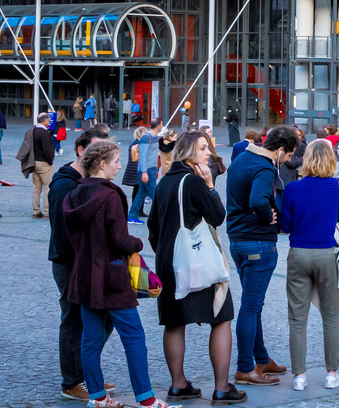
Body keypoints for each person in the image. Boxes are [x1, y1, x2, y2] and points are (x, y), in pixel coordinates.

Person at [62, 141, 181, 408]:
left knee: (90, 339)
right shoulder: (110, 195)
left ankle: (97, 397)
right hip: (112, 277)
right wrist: (137, 244)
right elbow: (119, 240)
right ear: (102, 164)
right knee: (134, 337)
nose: (119, 165)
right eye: (116, 161)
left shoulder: (73, 195)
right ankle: (146, 399)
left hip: (84, 276)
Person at [149, 132, 246, 404]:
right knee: (222, 316)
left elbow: (153, 227)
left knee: (174, 321)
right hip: (198, 261)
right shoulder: (194, 181)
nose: (208, 153)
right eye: (203, 148)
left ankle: (178, 384)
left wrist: (167, 253)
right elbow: (217, 217)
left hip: (169, 261)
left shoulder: (165, 180)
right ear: (188, 150)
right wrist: (211, 186)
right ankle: (222, 388)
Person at [225, 125, 299, 386]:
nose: (289, 161)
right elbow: (258, 200)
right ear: (280, 150)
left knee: (252, 303)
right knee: (251, 306)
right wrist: (269, 218)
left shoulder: (242, 157)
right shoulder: (265, 167)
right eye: (289, 156)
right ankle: (245, 367)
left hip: (238, 240)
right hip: (257, 241)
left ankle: (261, 357)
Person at [279, 139, 339, 391]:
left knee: (297, 319)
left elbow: (285, 225)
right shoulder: (337, 186)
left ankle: (299, 376)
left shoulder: (293, 189)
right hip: (326, 253)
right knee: (331, 316)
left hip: (299, 252)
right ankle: (331, 373)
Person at [48, 128, 111, 402]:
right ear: (80, 149)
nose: (100, 157)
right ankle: (72, 381)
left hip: (91, 262)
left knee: (104, 317)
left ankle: (87, 373)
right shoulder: (65, 185)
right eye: (95, 150)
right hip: (70, 262)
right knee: (74, 320)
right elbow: (62, 234)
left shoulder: (92, 182)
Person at [20, 112, 56, 219]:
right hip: (44, 163)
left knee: (36, 188)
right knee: (48, 187)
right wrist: (50, 161)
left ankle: (36, 211)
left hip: (33, 162)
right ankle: (46, 211)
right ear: (44, 121)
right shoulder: (44, 133)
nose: (49, 122)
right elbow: (47, 150)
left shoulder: (32, 130)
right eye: (48, 120)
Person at [128, 118, 163, 224]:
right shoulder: (146, 138)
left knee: (141, 194)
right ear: (158, 126)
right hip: (147, 170)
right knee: (155, 194)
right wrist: (144, 172)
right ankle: (162, 216)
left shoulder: (154, 137)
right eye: (161, 124)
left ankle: (131, 215)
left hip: (150, 169)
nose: (162, 126)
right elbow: (142, 156)